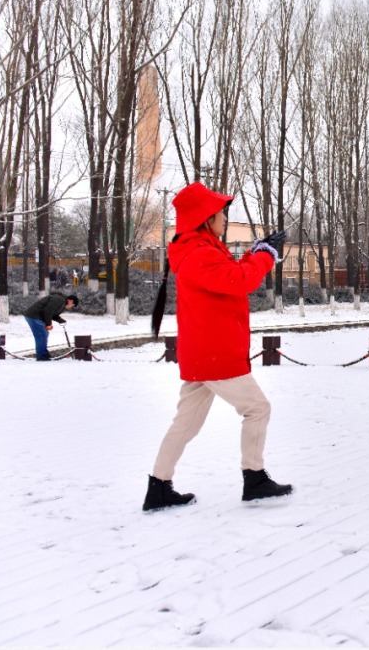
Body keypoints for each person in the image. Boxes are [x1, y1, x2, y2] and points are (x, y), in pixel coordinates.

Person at [143, 182, 293, 512]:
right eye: (221, 213)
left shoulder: (200, 248)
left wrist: (257, 252)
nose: (225, 218)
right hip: (216, 354)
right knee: (258, 408)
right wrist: (264, 257)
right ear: (205, 218)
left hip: (204, 352)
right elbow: (239, 280)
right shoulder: (199, 253)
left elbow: (232, 272)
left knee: (186, 423)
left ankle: (159, 486)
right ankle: (254, 478)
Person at [22, 292, 79, 361]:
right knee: (41, 335)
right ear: (71, 301)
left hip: (36, 316)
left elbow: (53, 314)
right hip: (34, 316)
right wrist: (48, 324)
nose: (71, 307)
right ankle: (41, 355)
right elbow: (48, 311)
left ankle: (43, 353)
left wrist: (60, 320)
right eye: (72, 305)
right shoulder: (59, 300)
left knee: (44, 334)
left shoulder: (62, 303)